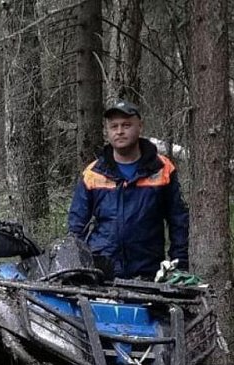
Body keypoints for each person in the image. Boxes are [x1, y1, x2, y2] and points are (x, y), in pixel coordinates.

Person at [67, 100, 190, 280]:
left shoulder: (162, 169)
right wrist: (75, 269)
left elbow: (178, 222)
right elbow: (76, 227)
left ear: (140, 126)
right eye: (113, 126)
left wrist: (179, 265)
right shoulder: (93, 173)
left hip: (148, 272)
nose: (119, 131)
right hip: (102, 273)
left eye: (126, 125)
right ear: (107, 131)